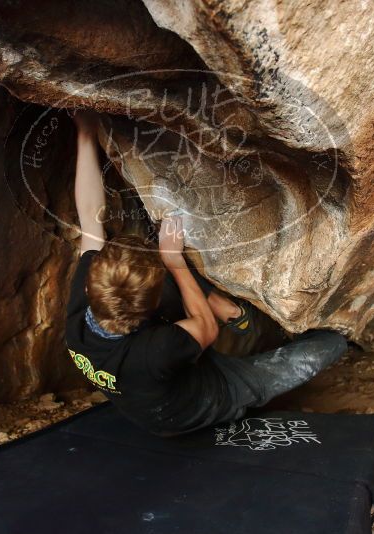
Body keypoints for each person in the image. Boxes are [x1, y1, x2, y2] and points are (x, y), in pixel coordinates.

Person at [64, 110, 347, 437]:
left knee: (174, 282)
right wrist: (174, 262)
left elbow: (90, 218)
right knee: (327, 346)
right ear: (150, 312)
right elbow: (205, 329)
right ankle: (243, 319)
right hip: (204, 401)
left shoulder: (81, 314)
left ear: (92, 288)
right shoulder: (154, 350)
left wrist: (84, 134)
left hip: (158, 379)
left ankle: (231, 311)